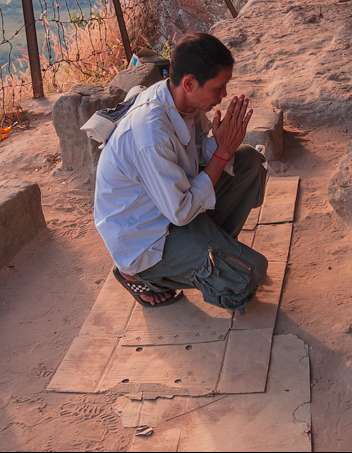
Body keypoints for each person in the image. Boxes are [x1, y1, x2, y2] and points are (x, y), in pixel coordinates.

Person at [94, 32, 268, 310]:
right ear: (189, 83)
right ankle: (142, 277)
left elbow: (197, 155)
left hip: (170, 212)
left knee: (248, 161)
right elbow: (183, 211)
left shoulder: (180, 101)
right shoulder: (151, 134)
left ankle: (212, 252)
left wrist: (223, 143)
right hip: (148, 239)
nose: (223, 96)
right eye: (217, 88)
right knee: (250, 275)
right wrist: (222, 152)